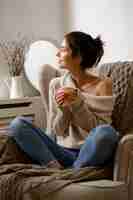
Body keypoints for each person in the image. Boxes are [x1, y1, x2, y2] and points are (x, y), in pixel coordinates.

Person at [9, 31, 119, 169]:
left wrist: (77, 103)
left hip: (90, 151)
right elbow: (58, 131)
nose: (57, 54)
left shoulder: (103, 84)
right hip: (62, 152)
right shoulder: (56, 84)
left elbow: (98, 129)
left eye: (63, 49)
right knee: (18, 124)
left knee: (106, 133)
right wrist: (63, 110)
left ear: (78, 56)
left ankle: (73, 171)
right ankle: (53, 166)